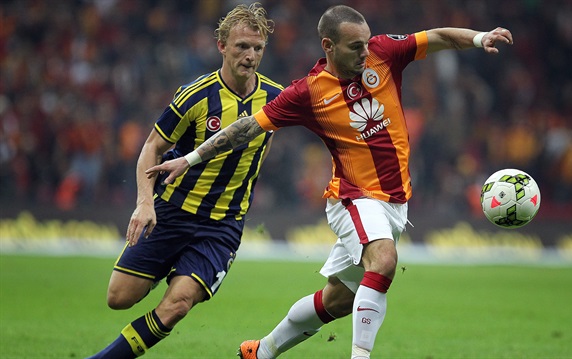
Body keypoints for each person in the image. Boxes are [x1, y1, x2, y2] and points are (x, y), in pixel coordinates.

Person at [147, 5, 513, 359]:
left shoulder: (383, 53)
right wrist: (191, 157)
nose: (365, 52)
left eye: (367, 43)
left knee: (338, 300)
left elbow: (436, 37)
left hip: (395, 202)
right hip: (353, 198)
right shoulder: (307, 92)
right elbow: (246, 128)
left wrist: (480, 37)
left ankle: (261, 351)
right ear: (328, 46)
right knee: (383, 261)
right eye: (356, 47)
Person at [86, 3, 283, 358]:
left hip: (221, 227)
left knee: (178, 304)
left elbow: (263, 148)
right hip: (171, 211)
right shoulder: (195, 95)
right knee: (119, 297)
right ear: (221, 46)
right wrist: (145, 203)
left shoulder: (275, 99)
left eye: (257, 48)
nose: (250, 56)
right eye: (242, 47)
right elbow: (151, 148)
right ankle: (167, 263)